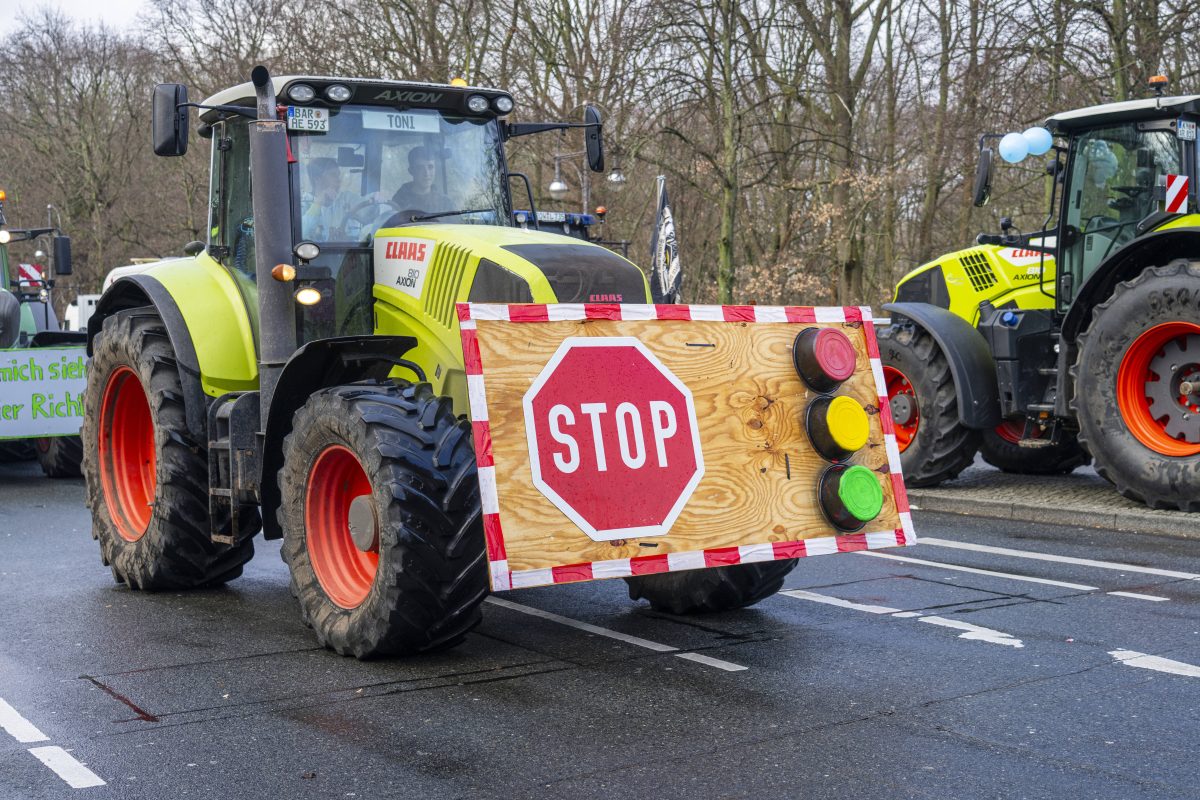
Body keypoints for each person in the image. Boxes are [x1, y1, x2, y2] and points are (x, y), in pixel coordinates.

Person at [302, 157, 362, 240]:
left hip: (348, 251)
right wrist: (317, 204)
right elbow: (302, 233)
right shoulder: (304, 202)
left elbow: (367, 208)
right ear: (317, 178)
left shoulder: (346, 198)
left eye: (338, 175)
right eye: (333, 175)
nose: (339, 180)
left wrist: (377, 196)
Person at [390, 146, 454, 214]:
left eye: (430, 167)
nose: (427, 173)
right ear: (411, 170)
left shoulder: (445, 203)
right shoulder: (399, 202)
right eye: (420, 168)